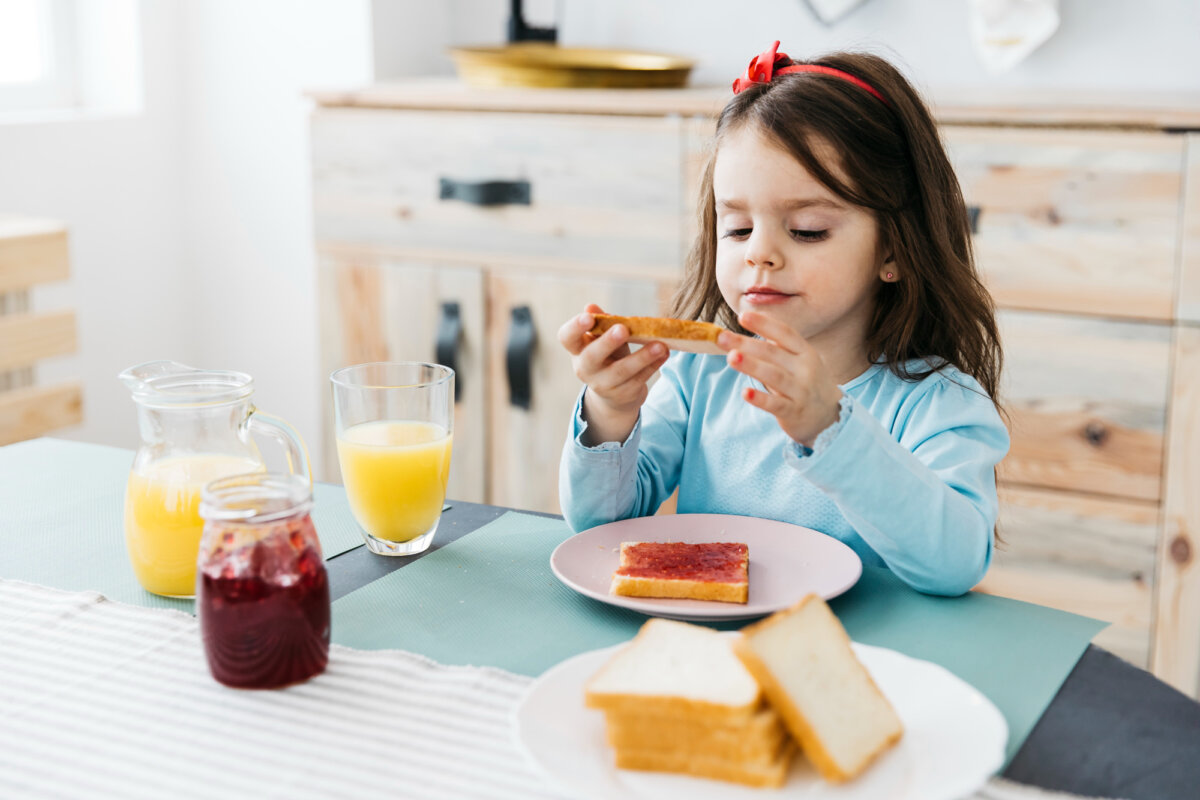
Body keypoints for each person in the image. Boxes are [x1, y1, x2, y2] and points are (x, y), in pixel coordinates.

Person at [556, 42, 1009, 597]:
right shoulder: (698, 380)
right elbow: (601, 533)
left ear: (893, 250)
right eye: (739, 228)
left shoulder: (938, 404)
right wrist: (610, 413)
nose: (759, 254)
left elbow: (956, 566)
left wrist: (831, 428)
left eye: (808, 230)